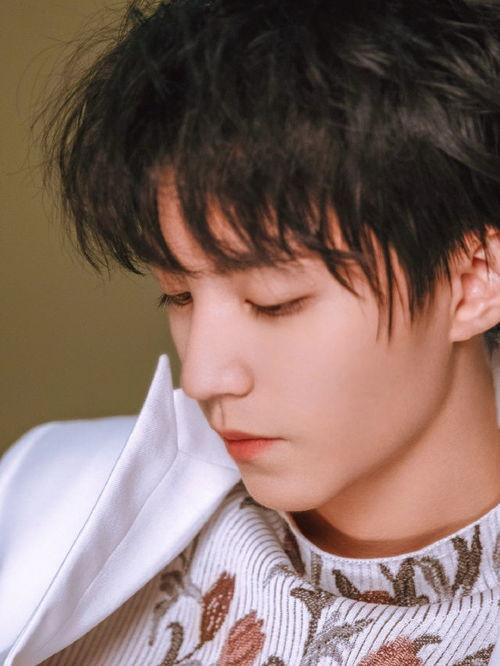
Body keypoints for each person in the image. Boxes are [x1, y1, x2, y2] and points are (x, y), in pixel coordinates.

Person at [1, 0, 500, 663]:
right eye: (178, 295)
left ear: (473, 280)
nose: (203, 376)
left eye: (274, 302)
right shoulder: (47, 503)